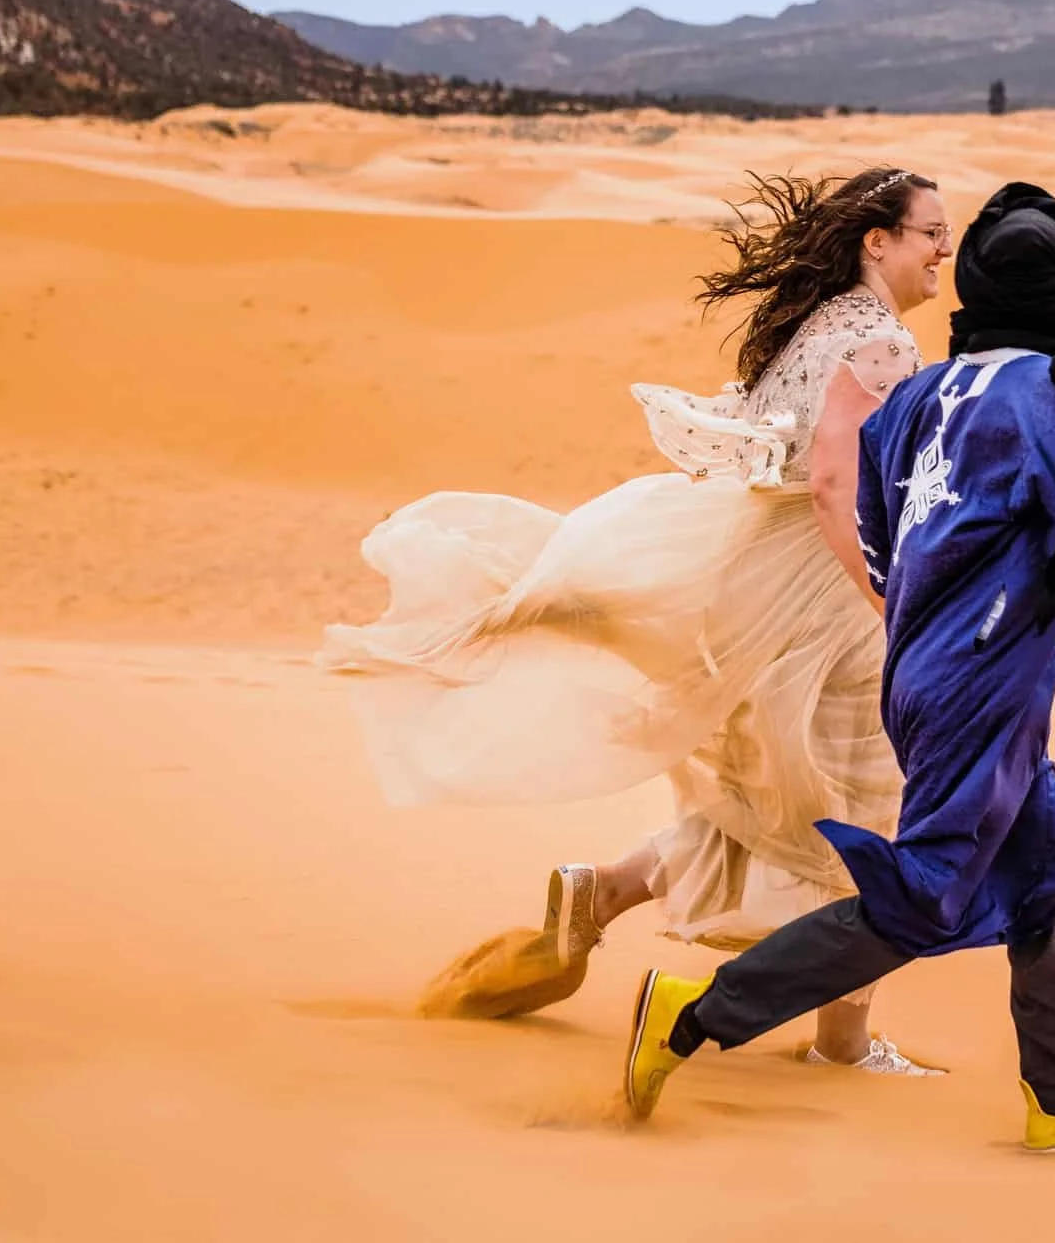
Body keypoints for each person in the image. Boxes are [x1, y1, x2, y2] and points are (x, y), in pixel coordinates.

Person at [318, 167, 955, 1073]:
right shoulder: (881, 340)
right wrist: (886, 598)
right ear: (876, 241)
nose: (944, 251)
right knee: (859, 803)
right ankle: (843, 1047)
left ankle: (604, 891)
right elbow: (829, 485)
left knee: (777, 795)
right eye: (931, 232)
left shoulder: (818, 325)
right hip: (824, 599)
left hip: (765, 584)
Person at [618, 181, 1055, 1152]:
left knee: (1050, 867)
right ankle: (694, 1015)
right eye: (926, 235)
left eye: (950, 244)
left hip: (966, 673)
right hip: (972, 679)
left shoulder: (929, 388)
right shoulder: (1017, 396)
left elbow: (879, 515)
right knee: (925, 893)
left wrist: (921, 607)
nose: (937, 253)